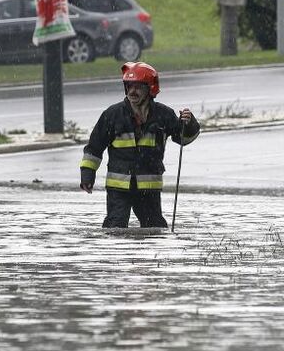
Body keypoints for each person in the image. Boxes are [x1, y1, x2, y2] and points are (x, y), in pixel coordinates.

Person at [80, 62, 200, 228]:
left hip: (149, 188)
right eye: (129, 86)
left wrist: (189, 123)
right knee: (115, 230)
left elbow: (183, 139)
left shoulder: (164, 115)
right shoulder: (112, 115)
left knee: (155, 230)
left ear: (150, 88)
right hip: (119, 187)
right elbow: (94, 148)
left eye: (138, 87)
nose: (132, 91)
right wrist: (87, 175)